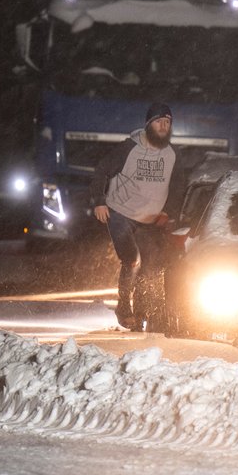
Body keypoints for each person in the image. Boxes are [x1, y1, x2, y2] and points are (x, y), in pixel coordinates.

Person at [89, 102, 188, 330]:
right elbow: (101, 170)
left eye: (167, 122)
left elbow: (179, 185)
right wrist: (99, 202)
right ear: (148, 125)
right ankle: (124, 307)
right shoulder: (129, 148)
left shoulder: (173, 155)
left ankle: (145, 312)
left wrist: (168, 211)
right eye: (159, 121)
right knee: (132, 259)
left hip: (151, 220)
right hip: (120, 213)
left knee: (152, 266)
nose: (163, 126)